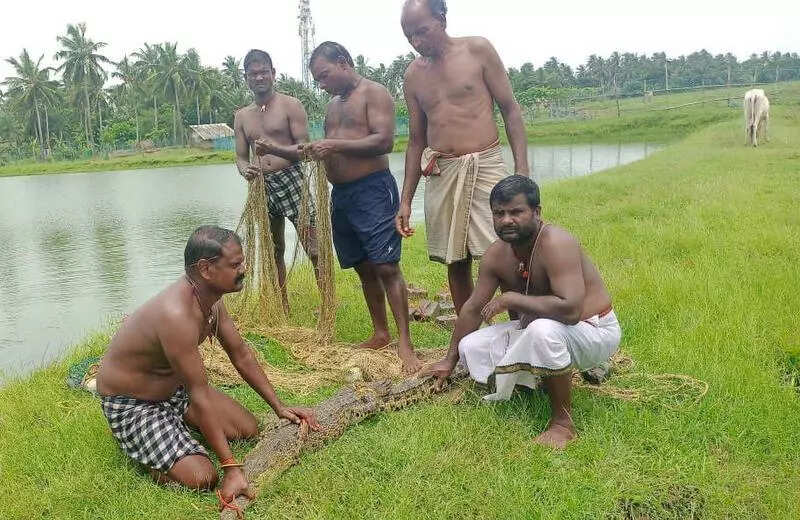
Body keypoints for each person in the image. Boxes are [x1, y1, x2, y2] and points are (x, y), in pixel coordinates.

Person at [96, 226, 320, 508]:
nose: (244, 269)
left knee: (247, 429)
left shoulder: (212, 301)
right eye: (235, 264)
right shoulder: (176, 315)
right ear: (205, 269)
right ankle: (139, 445)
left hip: (174, 392)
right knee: (203, 477)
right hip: (135, 404)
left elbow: (241, 355)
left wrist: (279, 406)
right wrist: (231, 467)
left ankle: (178, 424)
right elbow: (199, 393)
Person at [427, 177, 621, 449]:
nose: (506, 220)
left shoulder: (556, 243)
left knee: (542, 331)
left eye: (516, 212)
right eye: (499, 213)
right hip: (539, 329)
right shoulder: (496, 254)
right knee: (471, 346)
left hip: (593, 329)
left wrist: (513, 299)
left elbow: (571, 310)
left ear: (537, 212)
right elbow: (472, 309)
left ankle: (563, 425)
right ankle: (535, 383)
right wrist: (449, 360)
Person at [396, 0, 531, 314]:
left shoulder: (478, 50)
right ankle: (472, 341)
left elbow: (510, 110)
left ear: (441, 19)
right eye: (408, 35)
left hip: (486, 165)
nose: (416, 42)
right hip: (443, 172)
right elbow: (416, 141)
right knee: (455, 259)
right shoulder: (413, 76)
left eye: (422, 31)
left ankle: (520, 332)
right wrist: (405, 201)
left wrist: (521, 172)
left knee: (504, 252)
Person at [304, 41, 421, 374]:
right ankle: (380, 332)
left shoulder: (374, 93)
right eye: (318, 80)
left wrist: (334, 144)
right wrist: (316, 149)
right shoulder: (331, 107)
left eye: (324, 76)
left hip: (372, 189)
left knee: (386, 266)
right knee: (363, 266)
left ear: (343, 63)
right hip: (342, 195)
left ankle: (405, 343)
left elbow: (385, 140)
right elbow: (331, 147)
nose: (322, 85)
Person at [234, 49, 319, 312]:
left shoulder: (290, 105)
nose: (259, 77)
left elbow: (305, 150)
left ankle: (328, 301)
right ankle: (282, 305)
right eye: (253, 74)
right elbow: (239, 156)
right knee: (274, 250)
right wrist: (245, 169)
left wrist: (274, 149)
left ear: (273, 73)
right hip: (262, 186)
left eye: (263, 72)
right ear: (246, 78)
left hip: (292, 179)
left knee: (314, 247)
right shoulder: (242, 116)